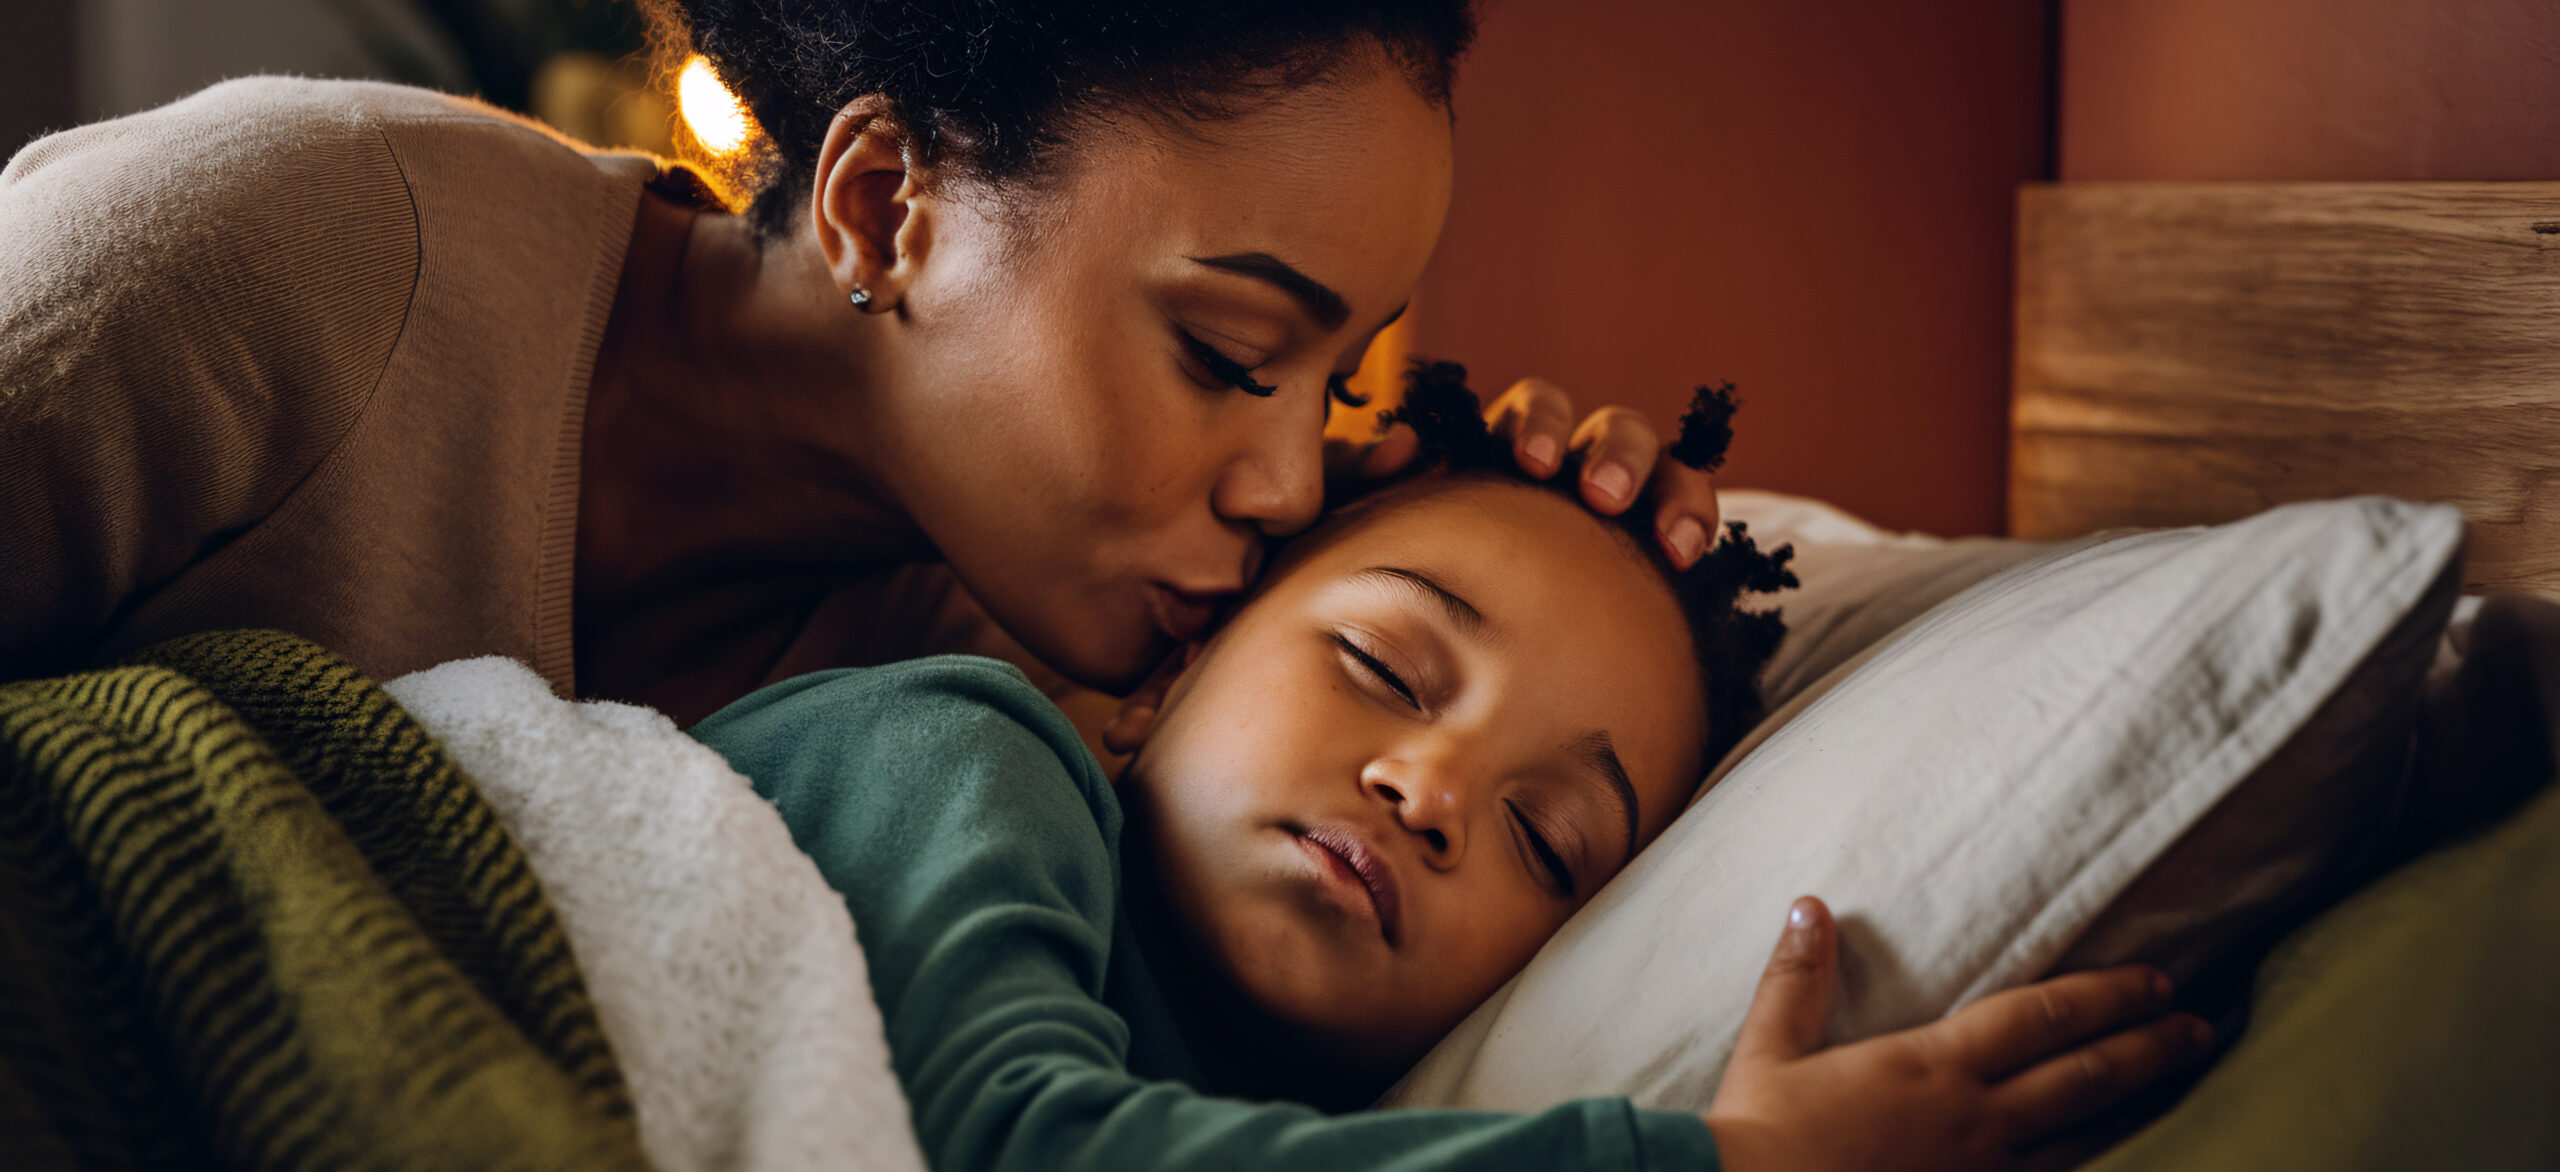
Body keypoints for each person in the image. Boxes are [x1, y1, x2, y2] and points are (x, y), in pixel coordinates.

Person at [691, 370, 2214, 1172]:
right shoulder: (958, 747)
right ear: (1168, 672)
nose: (1430, 792)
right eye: (1380, 666)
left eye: (1547, 843)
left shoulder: (1334, 1167)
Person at [0, 0, 1720, 728]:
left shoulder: (1017, 666)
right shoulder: (293, 246)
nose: (1279, 483)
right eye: (1224, 353)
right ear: (888, 202)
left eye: (1329, 385)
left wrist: (1525, 551)